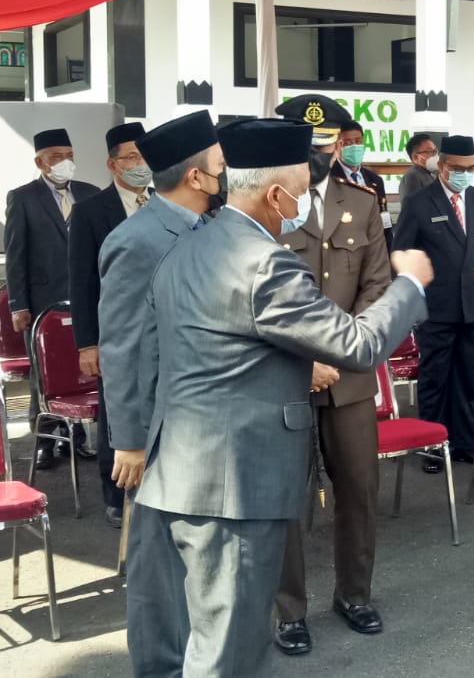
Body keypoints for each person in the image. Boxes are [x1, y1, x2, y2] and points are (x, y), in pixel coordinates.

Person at [140, 117, 431, 677]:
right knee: (229, 652)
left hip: (183, 471)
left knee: (190, 644)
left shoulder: (187, 243)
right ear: (276, 195)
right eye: (300, 189)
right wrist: (410, 284)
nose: (305, 201)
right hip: (235, 484)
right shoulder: (263, 260)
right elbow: (358, 344)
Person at [96, 111, 221, 678]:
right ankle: (160, 667)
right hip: (158, 427)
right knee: (158, 566)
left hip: (206, 420)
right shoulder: (136, 239)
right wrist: (128, 440)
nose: (226, 172)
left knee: (201, 558)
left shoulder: (209, 228)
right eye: (219, 164)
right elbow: (122, 347)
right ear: (195, 175)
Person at [269, 95, 394, 656]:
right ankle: (288, 610)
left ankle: (354, 595)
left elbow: (377, 285)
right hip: (284, 375)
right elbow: (260, 294)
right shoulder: (267, 204)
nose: (318, 155)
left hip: (348, 374)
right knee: (285, 497)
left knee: (359, 489)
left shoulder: (360, 202)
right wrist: (306, 357)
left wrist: (339, 352)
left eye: (327, 144)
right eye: (309, 145)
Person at [393, 134, 474, 473]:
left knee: (469, 378)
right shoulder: (419, 203)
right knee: (435, 378)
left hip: (473, 305)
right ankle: (434, 446)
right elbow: (402, 253)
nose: (465, 174)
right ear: (441, 165)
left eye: (472, 168)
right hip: (436, 307)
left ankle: (466, 443)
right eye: (458, 168)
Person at [67, 121, 149, 528]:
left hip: (158, 329)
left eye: (145, 156)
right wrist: (87, 343)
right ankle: (115, 496)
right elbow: (81, 281)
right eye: (131, 157)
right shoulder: (90, 211)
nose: (140, 164)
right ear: (112, 164)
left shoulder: (164, 202)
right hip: (113, 333)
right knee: (116, 413)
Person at [5, 127, 100, 468]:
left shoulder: (90, 193)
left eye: (69, 155)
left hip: (86, 298)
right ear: (40, 162)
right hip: (44, 300)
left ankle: (77, 437)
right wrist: (19, 304)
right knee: (44, 374)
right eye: (57, 157)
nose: (65, 162)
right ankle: (45, 438)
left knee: (83, 369)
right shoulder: (23, 197)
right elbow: (15, 254)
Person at [333, 118, 393, 238]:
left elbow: (384, 218)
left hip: (373, 242)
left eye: (358, 141)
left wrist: (388, 246)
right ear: (337, 145)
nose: (354, 146)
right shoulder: (328, 177)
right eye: (347, 143)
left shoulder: (375, 180)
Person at [398, 133, 439, 201]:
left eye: (435, 151)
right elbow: (413, 204)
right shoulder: (412, 176)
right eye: (429, 151)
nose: (435, 155)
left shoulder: (429, 173)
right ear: (415, 157)